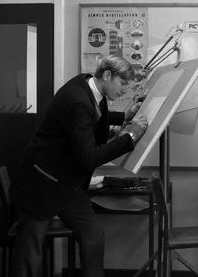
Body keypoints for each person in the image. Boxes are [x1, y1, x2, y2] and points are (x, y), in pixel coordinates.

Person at [10, 55, 148, 277]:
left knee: (93, 233)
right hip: (42, 184)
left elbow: (96, 118)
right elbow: (88, 157)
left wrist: (124, 116)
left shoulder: (90, 88)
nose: (125, 91)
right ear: (107, 75)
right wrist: (129, 138)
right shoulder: (77, 100)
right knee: (30, 254)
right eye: (123, 84)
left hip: (66, 183)